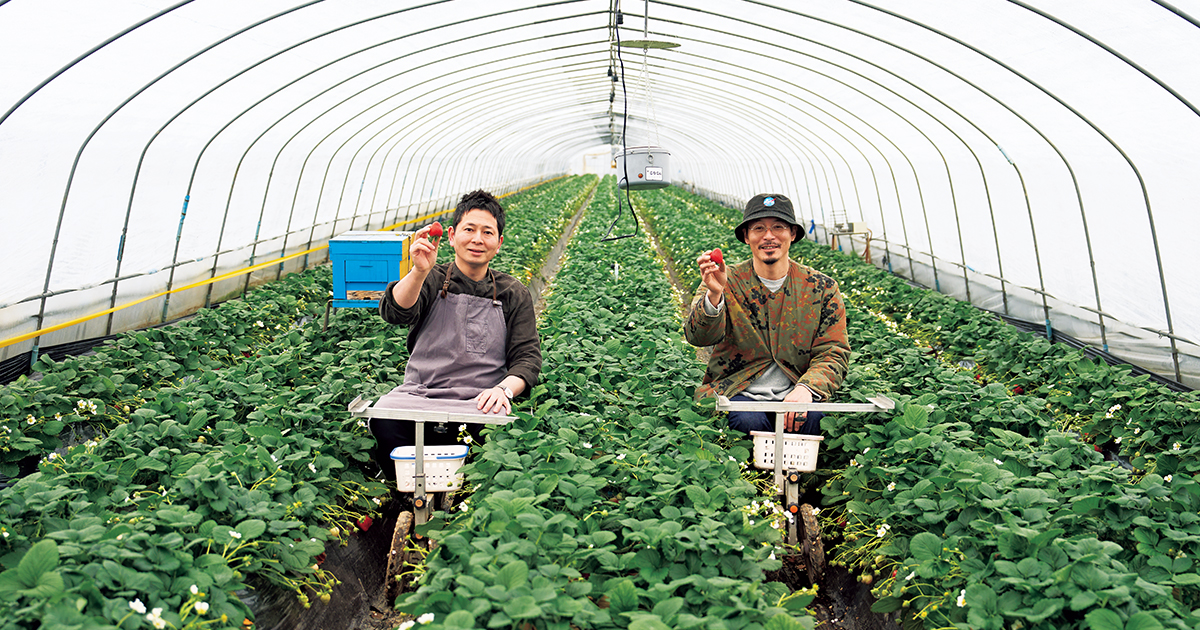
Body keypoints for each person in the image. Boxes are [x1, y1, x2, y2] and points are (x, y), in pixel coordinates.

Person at [370, 190, 542, 478]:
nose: (477, 239)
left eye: (487, 232)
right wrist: (418, 271)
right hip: (421, 394)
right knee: (384, 415)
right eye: (469, 229)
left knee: (498, 432)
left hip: (479, 401)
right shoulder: (431, 278)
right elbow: (395, 312)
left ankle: (468, 491)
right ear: (451, 236)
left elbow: (527, 358)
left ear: (498, 243)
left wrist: (502, 391)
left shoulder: (513, 292)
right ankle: (407, 488)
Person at [684, 193, 850, 436]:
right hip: (737, 391)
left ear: (793, 234)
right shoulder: (726, 280)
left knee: (812, 420)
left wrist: (807, 388)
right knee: (747, 421)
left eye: (778, 227)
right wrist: (715, 295)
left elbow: (833, 351)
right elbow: (698, 337)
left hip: (796, 390)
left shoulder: (821, 288)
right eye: (759, 228)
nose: (769, 236)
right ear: (746, 236)